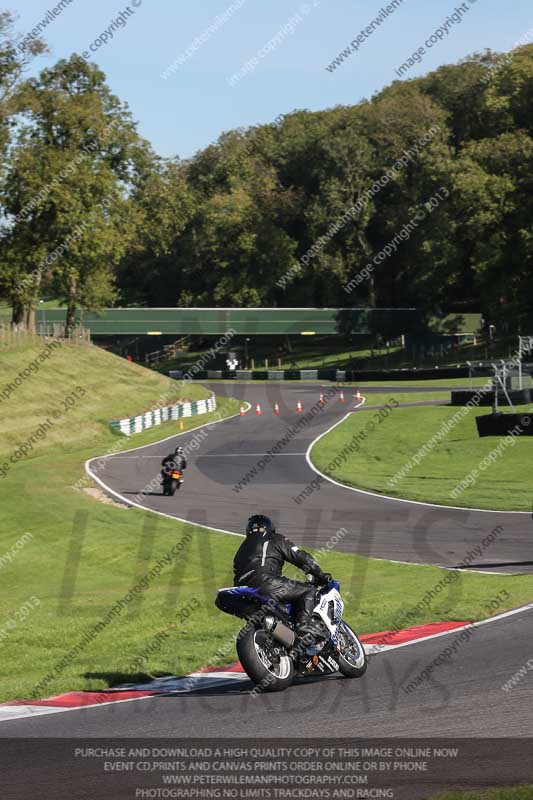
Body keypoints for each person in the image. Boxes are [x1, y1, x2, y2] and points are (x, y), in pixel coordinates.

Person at [233, 514, 332, 637]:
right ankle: (303, 623)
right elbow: (301, 558)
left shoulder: (240, 551)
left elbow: (236, 573)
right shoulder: (274, 538)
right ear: (269, 527)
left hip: (243, 590)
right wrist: (321, 575)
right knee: (309, 591)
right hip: (267, 583)